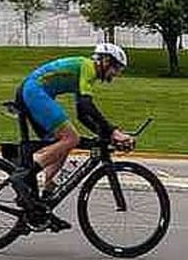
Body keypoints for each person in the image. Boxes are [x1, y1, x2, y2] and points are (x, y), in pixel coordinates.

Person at [10, 43, 135, 230]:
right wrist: (113, 131)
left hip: (33, 91)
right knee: (71, 138)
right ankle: (24, 176)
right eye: (116, 68)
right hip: (34, 91)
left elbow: (82, 115)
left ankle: (44, 204)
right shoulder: (87, 67)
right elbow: (87, 106)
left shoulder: (84, 74)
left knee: (63, 143)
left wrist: (105, 135)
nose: (116, 74)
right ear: (105, 61)